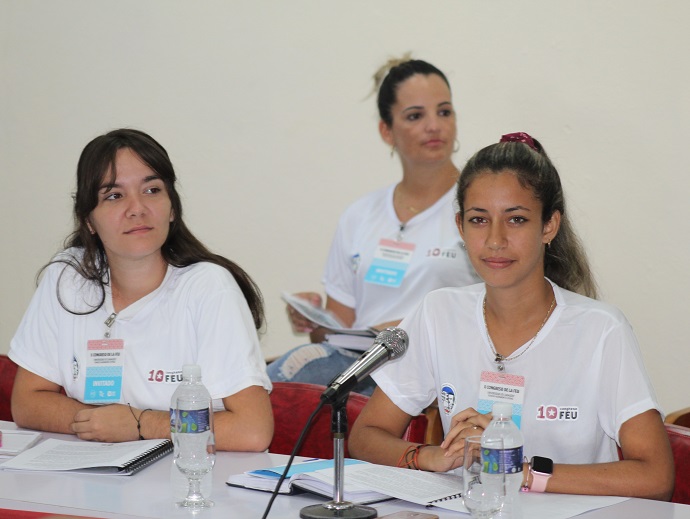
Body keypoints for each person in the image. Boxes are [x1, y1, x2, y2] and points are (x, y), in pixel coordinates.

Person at [349, 132, 674, 500]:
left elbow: (655, 476)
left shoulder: (601, 330)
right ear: (460, 226)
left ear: (549, 226)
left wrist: (518, 471)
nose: (495, 240)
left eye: (516, 219)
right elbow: (366, 436)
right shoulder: (438, 312)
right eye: (478, 219)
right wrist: (433, 457)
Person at [9, 128, 274, 452]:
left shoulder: (208, 287)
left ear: (172, 207)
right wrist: (100, 423)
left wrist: (140, 424)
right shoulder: (69, 277)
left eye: (152, 190)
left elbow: (252, 430)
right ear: (88, 219)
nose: (137, 208)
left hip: (194, 474)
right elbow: (27, 402)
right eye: (114, 196)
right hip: (96, 470)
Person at [267, 57, 479, 394]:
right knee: (288, 374)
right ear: (386, 131)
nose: (434, 126)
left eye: (444, 111)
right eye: (415, 116)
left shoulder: (477, 209)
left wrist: (408, 328)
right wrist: (314, 319)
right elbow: (335, 337)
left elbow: (499, 309)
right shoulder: (360, 215)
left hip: (439, 376)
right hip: (359, 370)